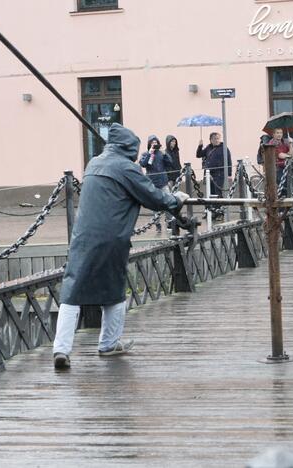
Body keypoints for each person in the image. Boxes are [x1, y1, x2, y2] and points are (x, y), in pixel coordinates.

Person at [53, 124, 189, 369]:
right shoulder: (127, 168)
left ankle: (61, 349)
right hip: (112, 238)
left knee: (71, 292)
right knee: (114, 289)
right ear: (130, 148)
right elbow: (154, 197)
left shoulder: (93, 163)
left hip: (82, 237)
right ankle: (109, 344)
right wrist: (176, 199)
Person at [140, 135, 173, 233]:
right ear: (149, 144)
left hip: (163, 182)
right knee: (155, 204)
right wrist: (149, 154)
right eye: (152, 142)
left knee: (168, 202)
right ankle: (157, 223)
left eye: (156, 142)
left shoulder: (161, 153)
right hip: (152, 183)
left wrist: (165, 154)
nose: (154, 144)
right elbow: (143, 164)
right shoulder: (145, 153)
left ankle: (169, 222)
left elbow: (170, 163)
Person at [196, 132, 233, 219]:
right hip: (209, 174)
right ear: (211, 140)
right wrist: (200, 146)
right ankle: (211, 212)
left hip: (219, 174)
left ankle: (220, 213)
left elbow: (229, 161)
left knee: (218, 193)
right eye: (215, 139)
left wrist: (229, 174)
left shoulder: (224, 148)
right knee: (210, 193)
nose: (217, 140)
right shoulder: (208, 148)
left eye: (218, 138)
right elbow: (199, 155)